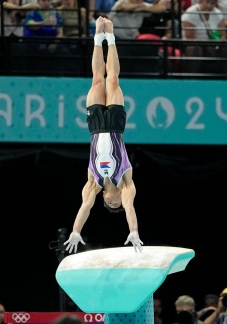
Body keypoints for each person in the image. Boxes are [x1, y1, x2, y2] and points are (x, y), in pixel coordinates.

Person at [63, 16, 143, 254]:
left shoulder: (92, 182)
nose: (113, 201)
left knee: (98, 80)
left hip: (96, 126)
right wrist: (134, 231)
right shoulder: (126, 182)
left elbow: (85, 207)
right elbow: (129, 208)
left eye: (110, 203)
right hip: (116, 126)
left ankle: (99, 37)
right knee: (114, 80)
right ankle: (112, 37)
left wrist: (76, 231)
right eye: (115, 202)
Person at [181, 0, 227, 75]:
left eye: (212, 3)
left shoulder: (218, 13)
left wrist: (217, 44)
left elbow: (223, 35)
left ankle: (226, 77)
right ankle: (191, 77)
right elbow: (190, 37)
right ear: (201, 1)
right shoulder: (190, 13)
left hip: (213, 43)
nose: (209, 6)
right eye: (207, 2)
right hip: (196, 43)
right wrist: (205, 45)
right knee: (195, 50)